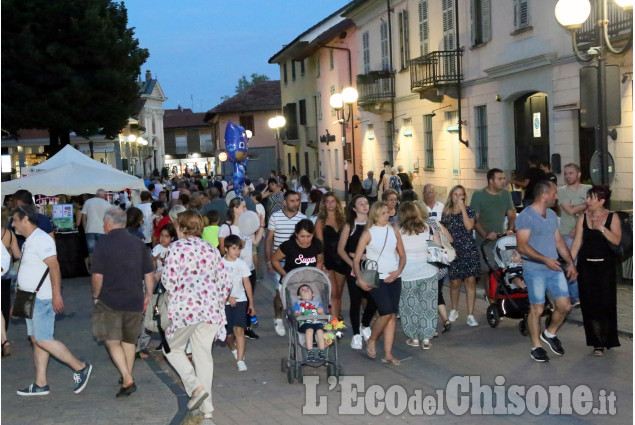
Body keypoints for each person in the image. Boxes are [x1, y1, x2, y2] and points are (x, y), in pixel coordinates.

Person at [12, 204, 92, 396]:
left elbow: (54, 266)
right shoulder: (31, 239)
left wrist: (57, 294)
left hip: (40, 298)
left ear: (25, 220)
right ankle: (41, 383)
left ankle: (80, 367)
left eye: (15, 220)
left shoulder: (40, 239)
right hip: (29, 297)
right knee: (36, 339)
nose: (13, 225)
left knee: (43, 339)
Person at [161, 210, 232, 422]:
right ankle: (207, 409)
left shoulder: (175, 248)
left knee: (171, 348)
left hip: (185, 309)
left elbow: (168, 280)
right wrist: (218, 300)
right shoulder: (210, 248)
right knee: (203, 355)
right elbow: (225, 281)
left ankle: (195, 387)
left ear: (182, 227)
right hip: (211, 308)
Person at [91, 207, 154, 396]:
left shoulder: (103, 243)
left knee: (112, 341)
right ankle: (127, 374)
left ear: (108, 223)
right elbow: (148, 273)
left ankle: (127, 378)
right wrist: (148, 294)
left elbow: (97, 276)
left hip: (110, 299)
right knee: (129, 340)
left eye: (103, 223)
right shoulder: (138, 243)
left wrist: (95, 296)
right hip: (134, 298)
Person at [516, 181, 577, 362]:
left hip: (554, 268)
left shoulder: (551, 215)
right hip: (535, 270)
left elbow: (559, 242)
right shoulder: (526, 216)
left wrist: (570, 263)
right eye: (554, 193)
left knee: (565, 306)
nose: (556, 197)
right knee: (537, 308)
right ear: (544, 195)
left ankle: (549, 334)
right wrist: (545, 260)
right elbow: (522, 246)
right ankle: (536, 346)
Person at [570, 185, 621, 356]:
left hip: (606, 267)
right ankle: (596, 342)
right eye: (588, 197)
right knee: (589, 304)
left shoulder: (612, 217)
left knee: (605, 303)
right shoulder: (582, 218)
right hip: (586, 266)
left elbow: (616, 241)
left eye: (592, 198)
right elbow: (576, 243)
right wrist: (570, 263)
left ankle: (607, 338)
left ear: (602, 201)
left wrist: (601, 228)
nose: (588, 201)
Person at [353, 201, 406, 365]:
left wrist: (397, 272)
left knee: (391, 316)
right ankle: (372, 339)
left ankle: (388, 354)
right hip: (376, 278)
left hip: (394, 277)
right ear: (376, 215)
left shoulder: (394, 231)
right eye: (383, 213)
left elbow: (403, 256)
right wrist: (360, 279)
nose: (388, 215)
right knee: (386, 312)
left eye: (388, 212)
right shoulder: (368, 233)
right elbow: (356, 259)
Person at [218, 197, 265, 340]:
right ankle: (229, 326)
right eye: (243, 207)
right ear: (235, 209)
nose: (246, 210)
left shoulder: (248, 225)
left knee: (246, 299)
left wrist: (261, 226)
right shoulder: (226, 228)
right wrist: (237, 246)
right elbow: (221, 250)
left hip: (248, 269)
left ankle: (246, 328)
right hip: (232, 271)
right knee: (231, 298)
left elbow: (256, 242)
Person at [397, 201, 440, 350]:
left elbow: (396, 254)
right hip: (428, 271)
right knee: (428, 305)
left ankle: (414, 337)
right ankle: (427, 338)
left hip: (407, 274)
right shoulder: (428, 228)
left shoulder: (399, 232)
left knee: (410, 306)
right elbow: (437, 247)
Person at [337, 195, 378, 350]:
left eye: (366, 203)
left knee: (373, 298)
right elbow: (341, 249)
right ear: (354, 208)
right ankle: (355, 334)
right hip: (353, 264)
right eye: (360, 204)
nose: (365, 206)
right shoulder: (350, 225)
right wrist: (353, 265)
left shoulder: (373, 223)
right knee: (356, 299)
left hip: (370, 265)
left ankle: (365, 324)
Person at [471, 169, 516, 298]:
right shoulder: (479, 195)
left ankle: (503, 297)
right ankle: (491, 298)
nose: (503, 181)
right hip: (486, 242)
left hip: (502, 241)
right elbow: (474, 219)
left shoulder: (506, 194)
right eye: (500, 179)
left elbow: (512, 214)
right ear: (491, 181)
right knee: (489, 272)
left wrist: (510, 229)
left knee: (505, 270)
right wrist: (485, 234)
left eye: (504, 178)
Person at [266, 191, 306, 336]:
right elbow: (269, 239)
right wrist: (269, 260)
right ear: (285, 202)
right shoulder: (275, 217)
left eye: (297, 200)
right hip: (279, 262)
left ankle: (299, 319)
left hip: (297, 262)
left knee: (299, 292)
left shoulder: (302, 218)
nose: (296, 203)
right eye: (292, 200)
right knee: (279, 294)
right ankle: (278, 318)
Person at [441, 185, 480, 327]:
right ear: (451, 196)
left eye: (461, 194)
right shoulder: (446, 213)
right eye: (456, 194)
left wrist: (463, 208)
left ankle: (470, 314)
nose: (458, 197)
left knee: (470, 282)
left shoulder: (469, 210)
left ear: (464, 196)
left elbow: (469, 227)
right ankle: (454, 310)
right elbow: (443, 231)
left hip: (469, 249)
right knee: (455, 282)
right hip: (454, 251)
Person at [558, 163, 591, 306]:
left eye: (570, 173)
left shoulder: (588, 189)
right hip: (567, 233)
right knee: (572, 262)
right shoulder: (562, 191)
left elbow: (594, 210)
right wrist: (588, 204)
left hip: (587, 232)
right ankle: (574, 296)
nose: (567, 176)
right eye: (565, 173)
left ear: (578, 174)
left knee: (587, 264)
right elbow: (569, 211)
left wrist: (580, 226)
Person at [221, 234, 256, 371]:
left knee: (239, 330)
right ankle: (234, 349)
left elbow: (247, 283)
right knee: (228, 335)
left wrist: (251, 303)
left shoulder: (241, 264)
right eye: (234, 248)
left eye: (239, 249)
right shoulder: (220, 264)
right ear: (226, 249)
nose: (237, 251)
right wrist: (228, 297)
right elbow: (218, 283)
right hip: (224, 302)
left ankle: (240, 360)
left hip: (241, 300)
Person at [315, 192, 347, 320]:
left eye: (333, 201)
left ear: (337, 203)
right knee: (333, 293)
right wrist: (321, 263)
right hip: (328, 260)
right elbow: (320, 244)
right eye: (327, 201)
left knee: (339, 293)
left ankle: (337, 315)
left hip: (341, 259)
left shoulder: (343, 219)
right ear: (324, 204)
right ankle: (334, 321)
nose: (330, 204)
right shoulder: (320, 221)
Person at [271, 219, 324, 286]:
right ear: (296, 234)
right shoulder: (288, 246)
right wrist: (285, 274)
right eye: (302, 236)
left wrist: (314, 276)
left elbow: (319, 262)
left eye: (308, 236)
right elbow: (274, 260)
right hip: (291, 282)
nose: (305, 240)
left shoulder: (317, 245)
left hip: (309, 282)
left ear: (313, 234)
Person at [1, 212, 21, 351]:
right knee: (5, 301)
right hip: (6, 271)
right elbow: (17, 255)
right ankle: (4, 333)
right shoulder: (9, 234)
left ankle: (3, 338)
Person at [293, 284, 327, 362]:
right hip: (304, 323)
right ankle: (310, 351)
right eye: (302, 290)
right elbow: (295, 313)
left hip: (317, 322)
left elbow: (323, 315)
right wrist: (297, 314)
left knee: (320, 331)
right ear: (299, 296)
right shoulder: (298, 303)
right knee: (310, 330)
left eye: (308, 288)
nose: (305, 290)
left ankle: (322, 351)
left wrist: (321, 312)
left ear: (313, 294)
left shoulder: (318, 303)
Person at [81, 189, 112, 271]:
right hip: (103, 231)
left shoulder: (88, 202)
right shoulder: (107, 204)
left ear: (96, 194)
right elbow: (110, 219)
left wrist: (85, 229)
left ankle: (94, 271)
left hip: (90, 230)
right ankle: (102, 270)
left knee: (92, 253)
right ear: (104, 196)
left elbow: (83, 217)